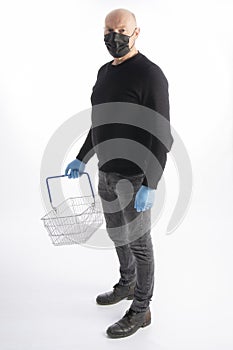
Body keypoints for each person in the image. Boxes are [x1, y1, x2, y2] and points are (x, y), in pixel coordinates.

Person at [65, 8, 173, 338]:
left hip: (135, 177)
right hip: (106, 173)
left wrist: (150, 183)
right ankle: (127, 283)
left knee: (140, 244)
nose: (114, 36)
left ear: (136, 32)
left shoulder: (150, 75)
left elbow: (161, 133)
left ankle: (142, 310)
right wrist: (83, 158)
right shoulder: (105, 72)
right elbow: (100, 122)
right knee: (117, 235)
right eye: (108, 30)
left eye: (121, 30)